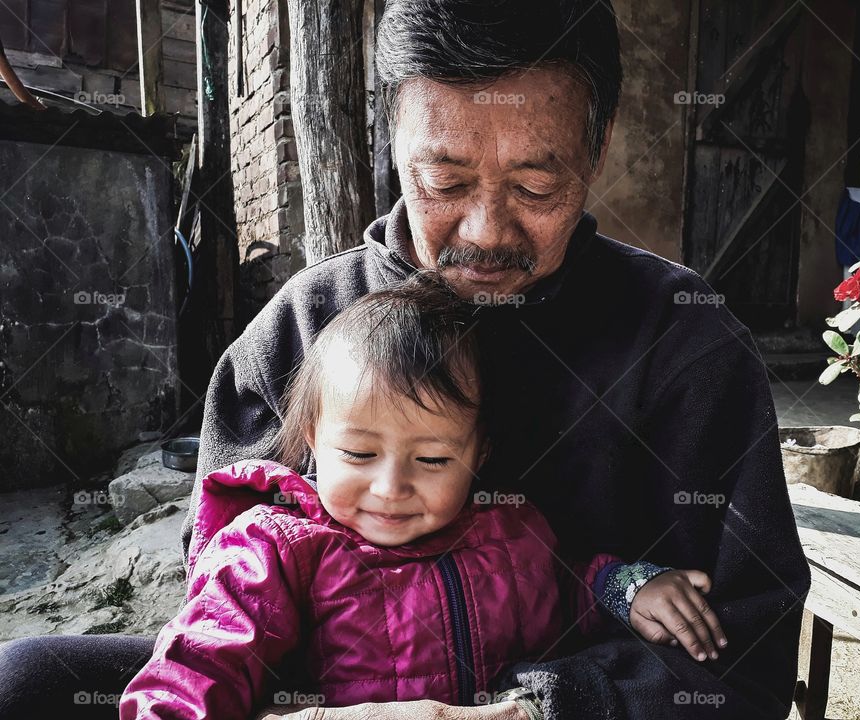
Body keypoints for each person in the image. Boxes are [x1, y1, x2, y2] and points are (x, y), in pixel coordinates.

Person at [0, 1, 809, 718]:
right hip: (320, 694)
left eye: (534, 188)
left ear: (596, 151)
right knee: (30, 680)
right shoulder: (301, 331)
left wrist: (518, 712)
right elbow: (221, 611)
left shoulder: (686, 344)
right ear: (394, 147)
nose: (487, 230)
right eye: (443, 180)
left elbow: (745, 660)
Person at [120, 274, 726, 719]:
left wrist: (628, 589)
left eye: (433, 459)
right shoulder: (273, 553)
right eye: (358, 454)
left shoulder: (513, 536)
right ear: (311, 441)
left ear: (480, 454)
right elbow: (198, 663)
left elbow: (566, 592)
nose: (390, 489)